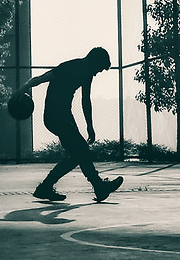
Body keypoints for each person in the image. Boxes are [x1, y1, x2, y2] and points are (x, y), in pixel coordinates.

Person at [12, 47, 123, 202]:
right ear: (94, 62)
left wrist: (89, 125)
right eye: (99, 68)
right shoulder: (71, 67)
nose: (98, 72)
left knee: (77, 154)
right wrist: (24, 87)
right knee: (81, 150)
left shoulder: (87, 73)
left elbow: (86, 101)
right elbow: (45, 77)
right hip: (55, 117)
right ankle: (98, 186)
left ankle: (46, 187)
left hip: (64, 116)